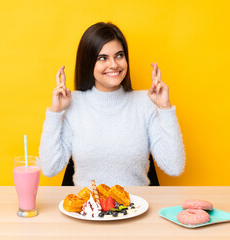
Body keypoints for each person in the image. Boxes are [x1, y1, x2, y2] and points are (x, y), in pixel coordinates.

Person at [39, 22, 185, 186]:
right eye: (102, 58)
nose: (114, 64)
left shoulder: (145, 102)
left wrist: (165, 109)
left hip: (136, 207)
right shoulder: (73, 102)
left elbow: (174, 167)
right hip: (88, 209)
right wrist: (55, 112)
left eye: (119, 55)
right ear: (88, 62)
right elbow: (49, 168)